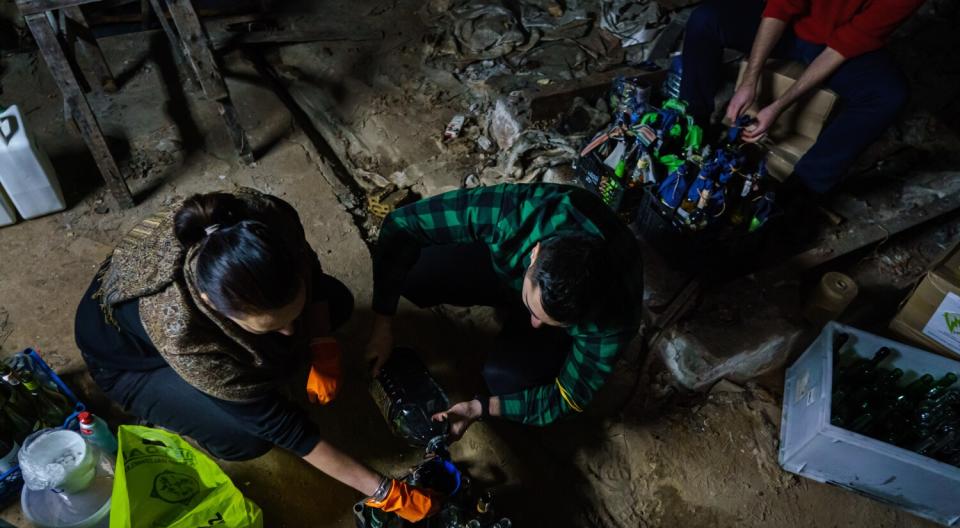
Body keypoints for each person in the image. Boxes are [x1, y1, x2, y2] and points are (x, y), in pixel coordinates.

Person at [75, 188, 433, 521]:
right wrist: (384, 491)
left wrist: (322, 344)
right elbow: (283, 427)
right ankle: (182, 409)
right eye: (270, 326)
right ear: (211, 304)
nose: (291, 332)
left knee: (335, 302)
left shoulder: (267, 219)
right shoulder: (177, 326)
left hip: (222, 317)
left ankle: (275, 336)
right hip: (132, 366)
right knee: (246, 437)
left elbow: (316, 280)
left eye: (291, 314)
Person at [365, 183, 644, 440]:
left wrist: (478, 408)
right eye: (533, 309)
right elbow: (401, 225)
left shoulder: (613, 319)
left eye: (551, 321)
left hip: (535, 284)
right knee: (415, 275)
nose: (535, 323)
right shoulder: (513, 214)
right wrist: (382, 322)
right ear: (535, 253)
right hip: (506, 266)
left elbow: (564, 399)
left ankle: (540, 323)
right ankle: (528, 304)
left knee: (507, 381)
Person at [680, 0, 923, 194]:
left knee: (889, 95)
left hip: (834, 45)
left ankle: (802, 187)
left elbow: (843, 46)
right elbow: (782, 6)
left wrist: (779, 106)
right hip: (790, 27)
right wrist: (749, 81)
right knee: (706, 19)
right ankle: (692, 124)